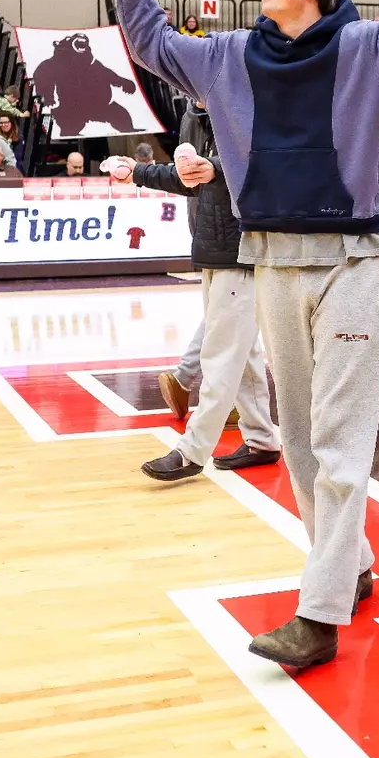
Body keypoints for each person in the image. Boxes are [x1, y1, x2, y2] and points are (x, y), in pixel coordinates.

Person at [111, 0, 379, 670]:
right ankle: (353, 566)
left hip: (352, 261)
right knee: (305, 443)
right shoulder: (230, 57)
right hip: (269, 262)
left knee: (339, 439)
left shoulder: (376, 48)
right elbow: (151, 45)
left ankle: (318, 615)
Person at [116, 104, 282, 480]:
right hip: (215, 251)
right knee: (246, 358)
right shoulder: (203, 120)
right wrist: (137, 172)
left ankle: (192, 452)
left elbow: (273, 169)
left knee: (220, 359)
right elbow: (189, 178)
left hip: (244, 252)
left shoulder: (254, 113)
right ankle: (262, 439)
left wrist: (218, 169)